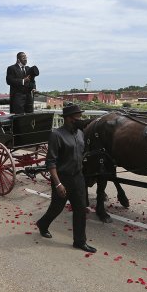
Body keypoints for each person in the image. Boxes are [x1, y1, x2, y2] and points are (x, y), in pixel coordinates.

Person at [36, 104, 96, 253]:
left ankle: (80, 242)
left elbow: (82, 155)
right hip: (62, 179)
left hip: (78, 178)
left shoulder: (80, 134)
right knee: (56, 208)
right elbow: (51, 162)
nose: (80, 120)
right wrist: (58, 184)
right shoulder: (57, 135)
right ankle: (43, 224)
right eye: (77, 117)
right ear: (69, 119)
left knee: (80, 210)